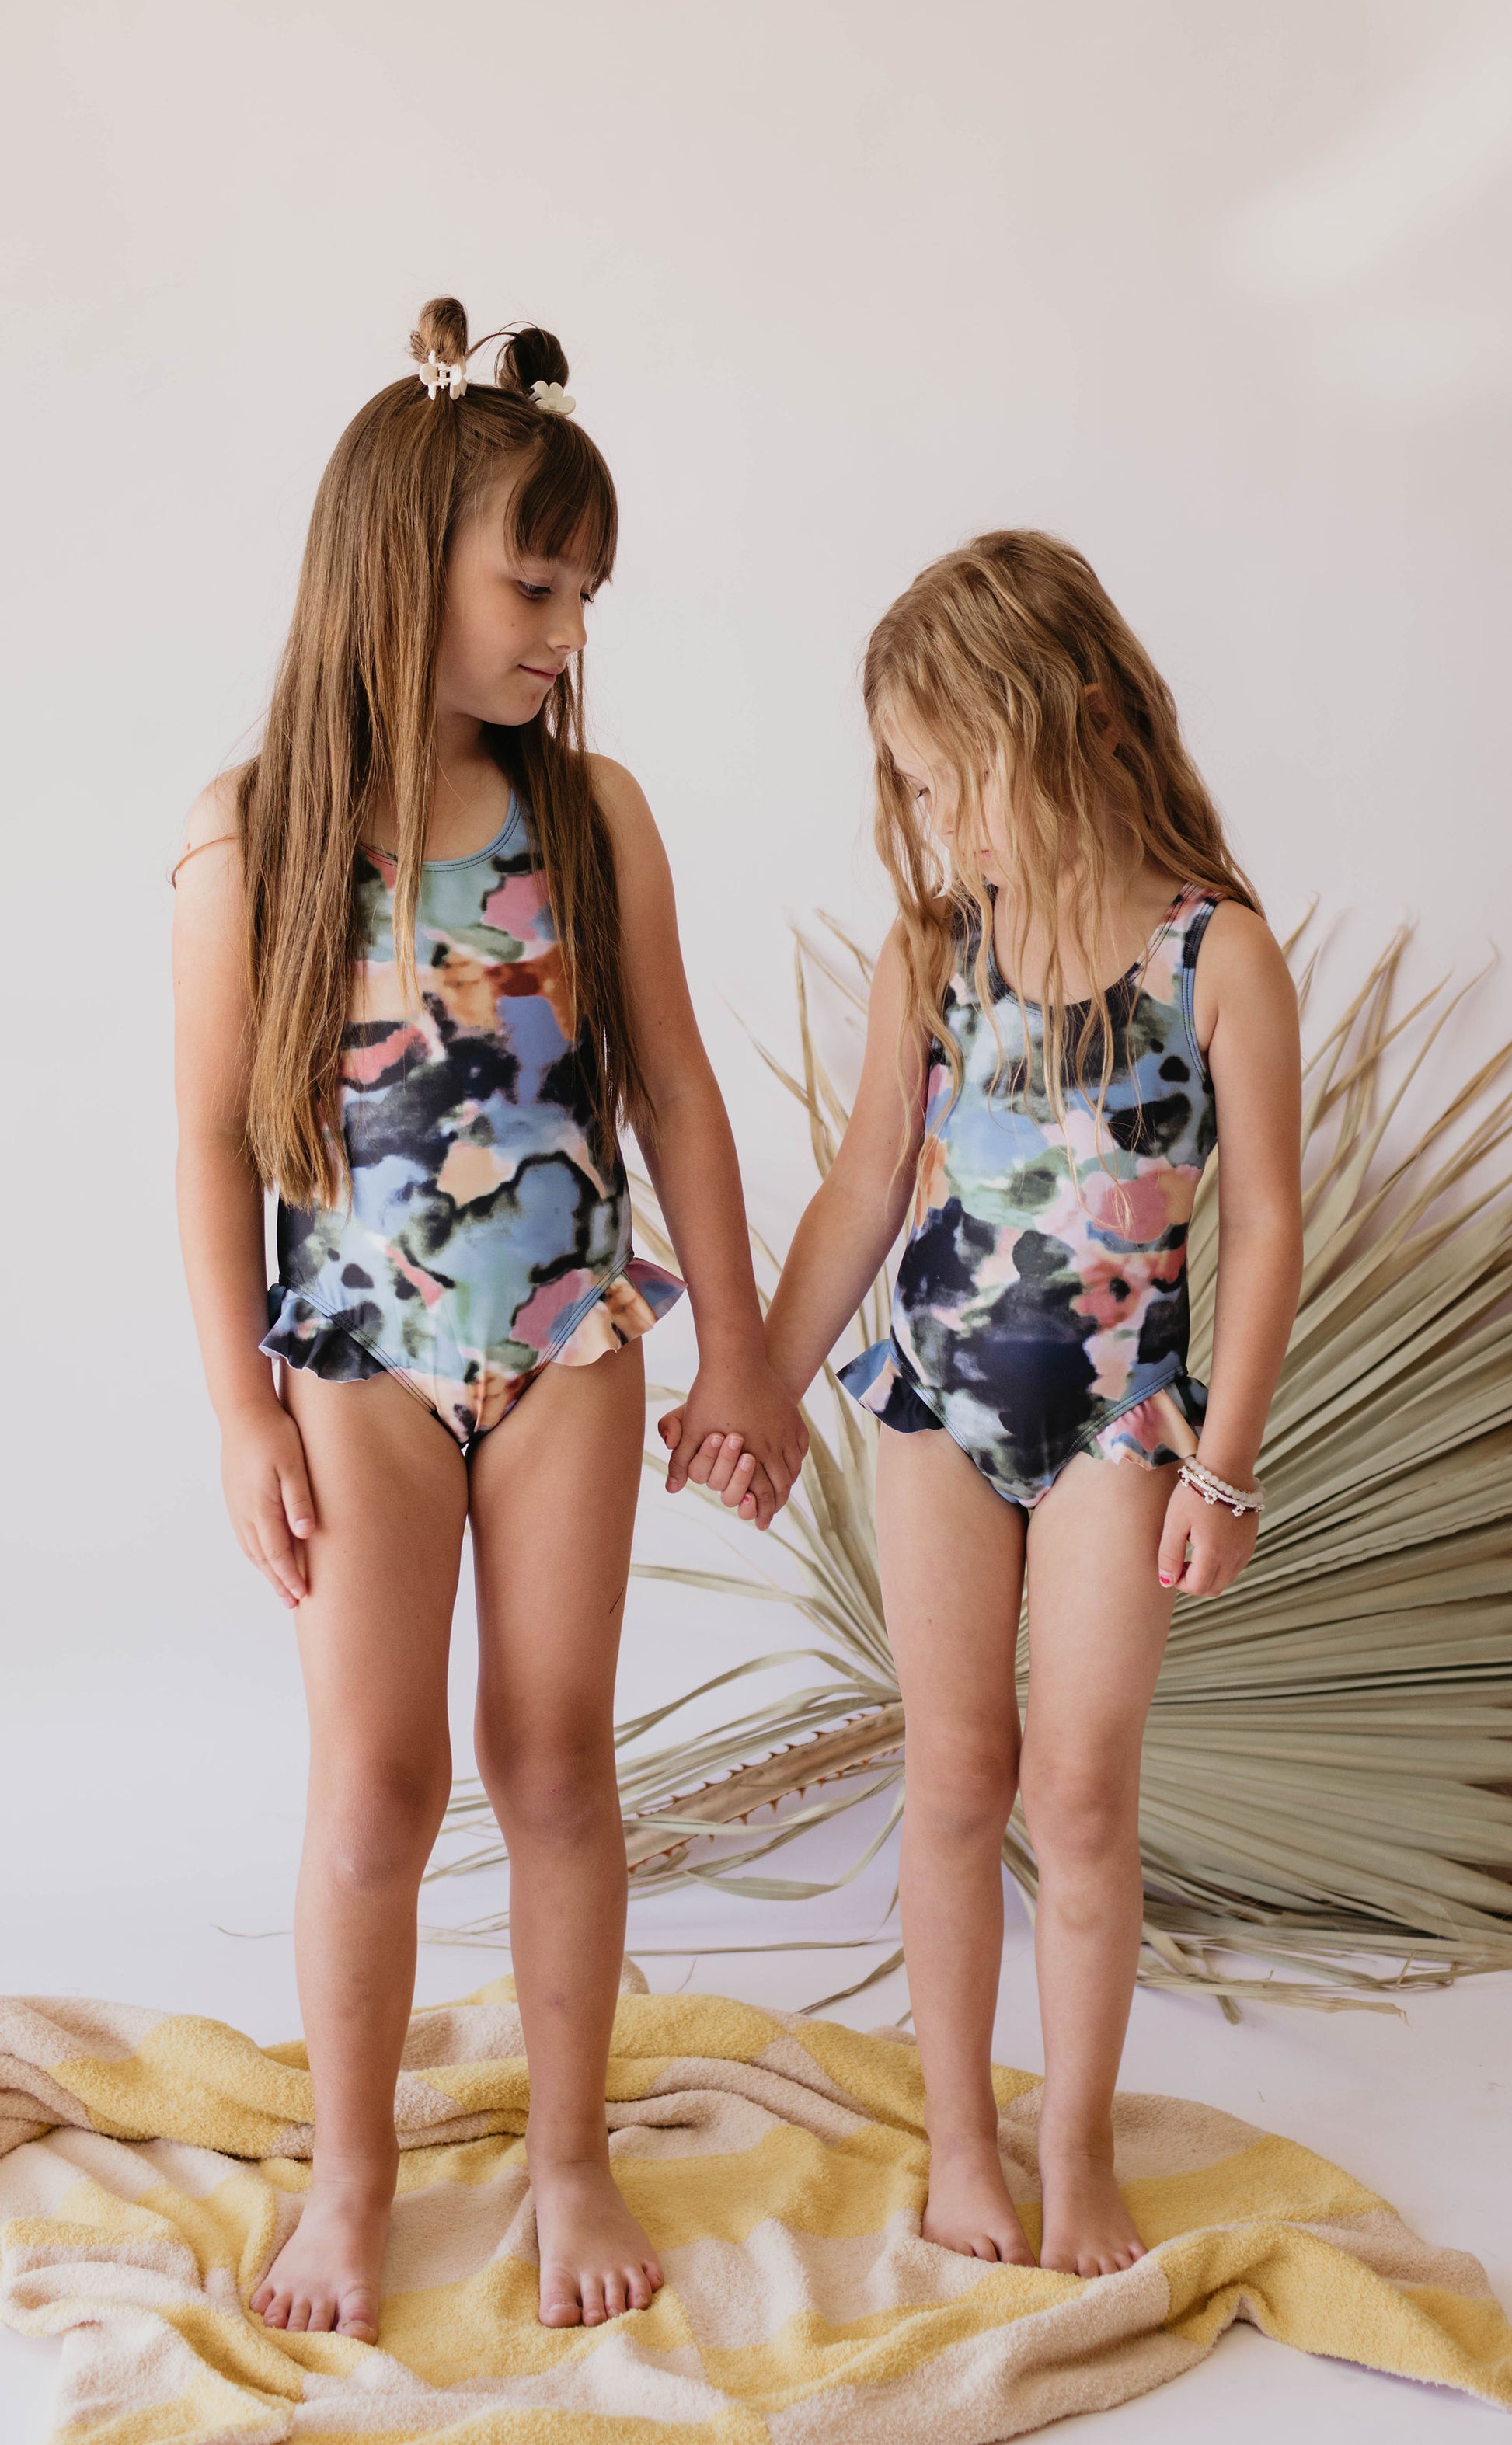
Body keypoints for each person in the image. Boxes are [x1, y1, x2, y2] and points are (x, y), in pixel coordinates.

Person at [172, 298, 805, 2340]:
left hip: (567, 1348)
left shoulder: (591, 815)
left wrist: (740, 1349)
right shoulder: (253, 835)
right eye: (535, 584)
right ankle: (349, 2179)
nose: (566, 627)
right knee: (376, 1780)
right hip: (355, 1359)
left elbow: (676, 1088)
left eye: (585, 592)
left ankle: (568, 2151)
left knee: (553, 1758)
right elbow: (211, 1143)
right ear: (400, 567)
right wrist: (241, 1408)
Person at [675, 531, 1302, 2277]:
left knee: (1077, 1791)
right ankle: (961, 2135)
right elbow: (863, 1190)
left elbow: (1265, 1227)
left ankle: (1074, 2140)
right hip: (934, 1408)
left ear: (1077, 718)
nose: (936, 819)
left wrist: (1223, 1468)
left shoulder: (1213, 955)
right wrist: (755, 1385)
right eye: (909, 784)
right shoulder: (935, 954)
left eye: (955, 776)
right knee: (952, 1771)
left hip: (1120, 1426)